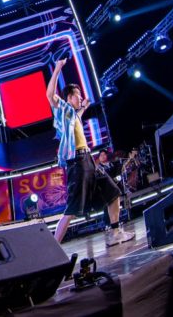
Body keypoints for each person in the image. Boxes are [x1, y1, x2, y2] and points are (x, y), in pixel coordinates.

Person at [47, 58, 134, 246]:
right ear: (69, 98)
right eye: (77, 95)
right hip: (77, 163)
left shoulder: (73, 115)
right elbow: (50, 95)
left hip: (88, 160)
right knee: (71, 210)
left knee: (113, 192)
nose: (80, 98)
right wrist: (58, 68)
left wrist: (85, 106)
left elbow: (77, 117)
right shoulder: (64, 109)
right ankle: (54, 248)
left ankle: (115, 233)